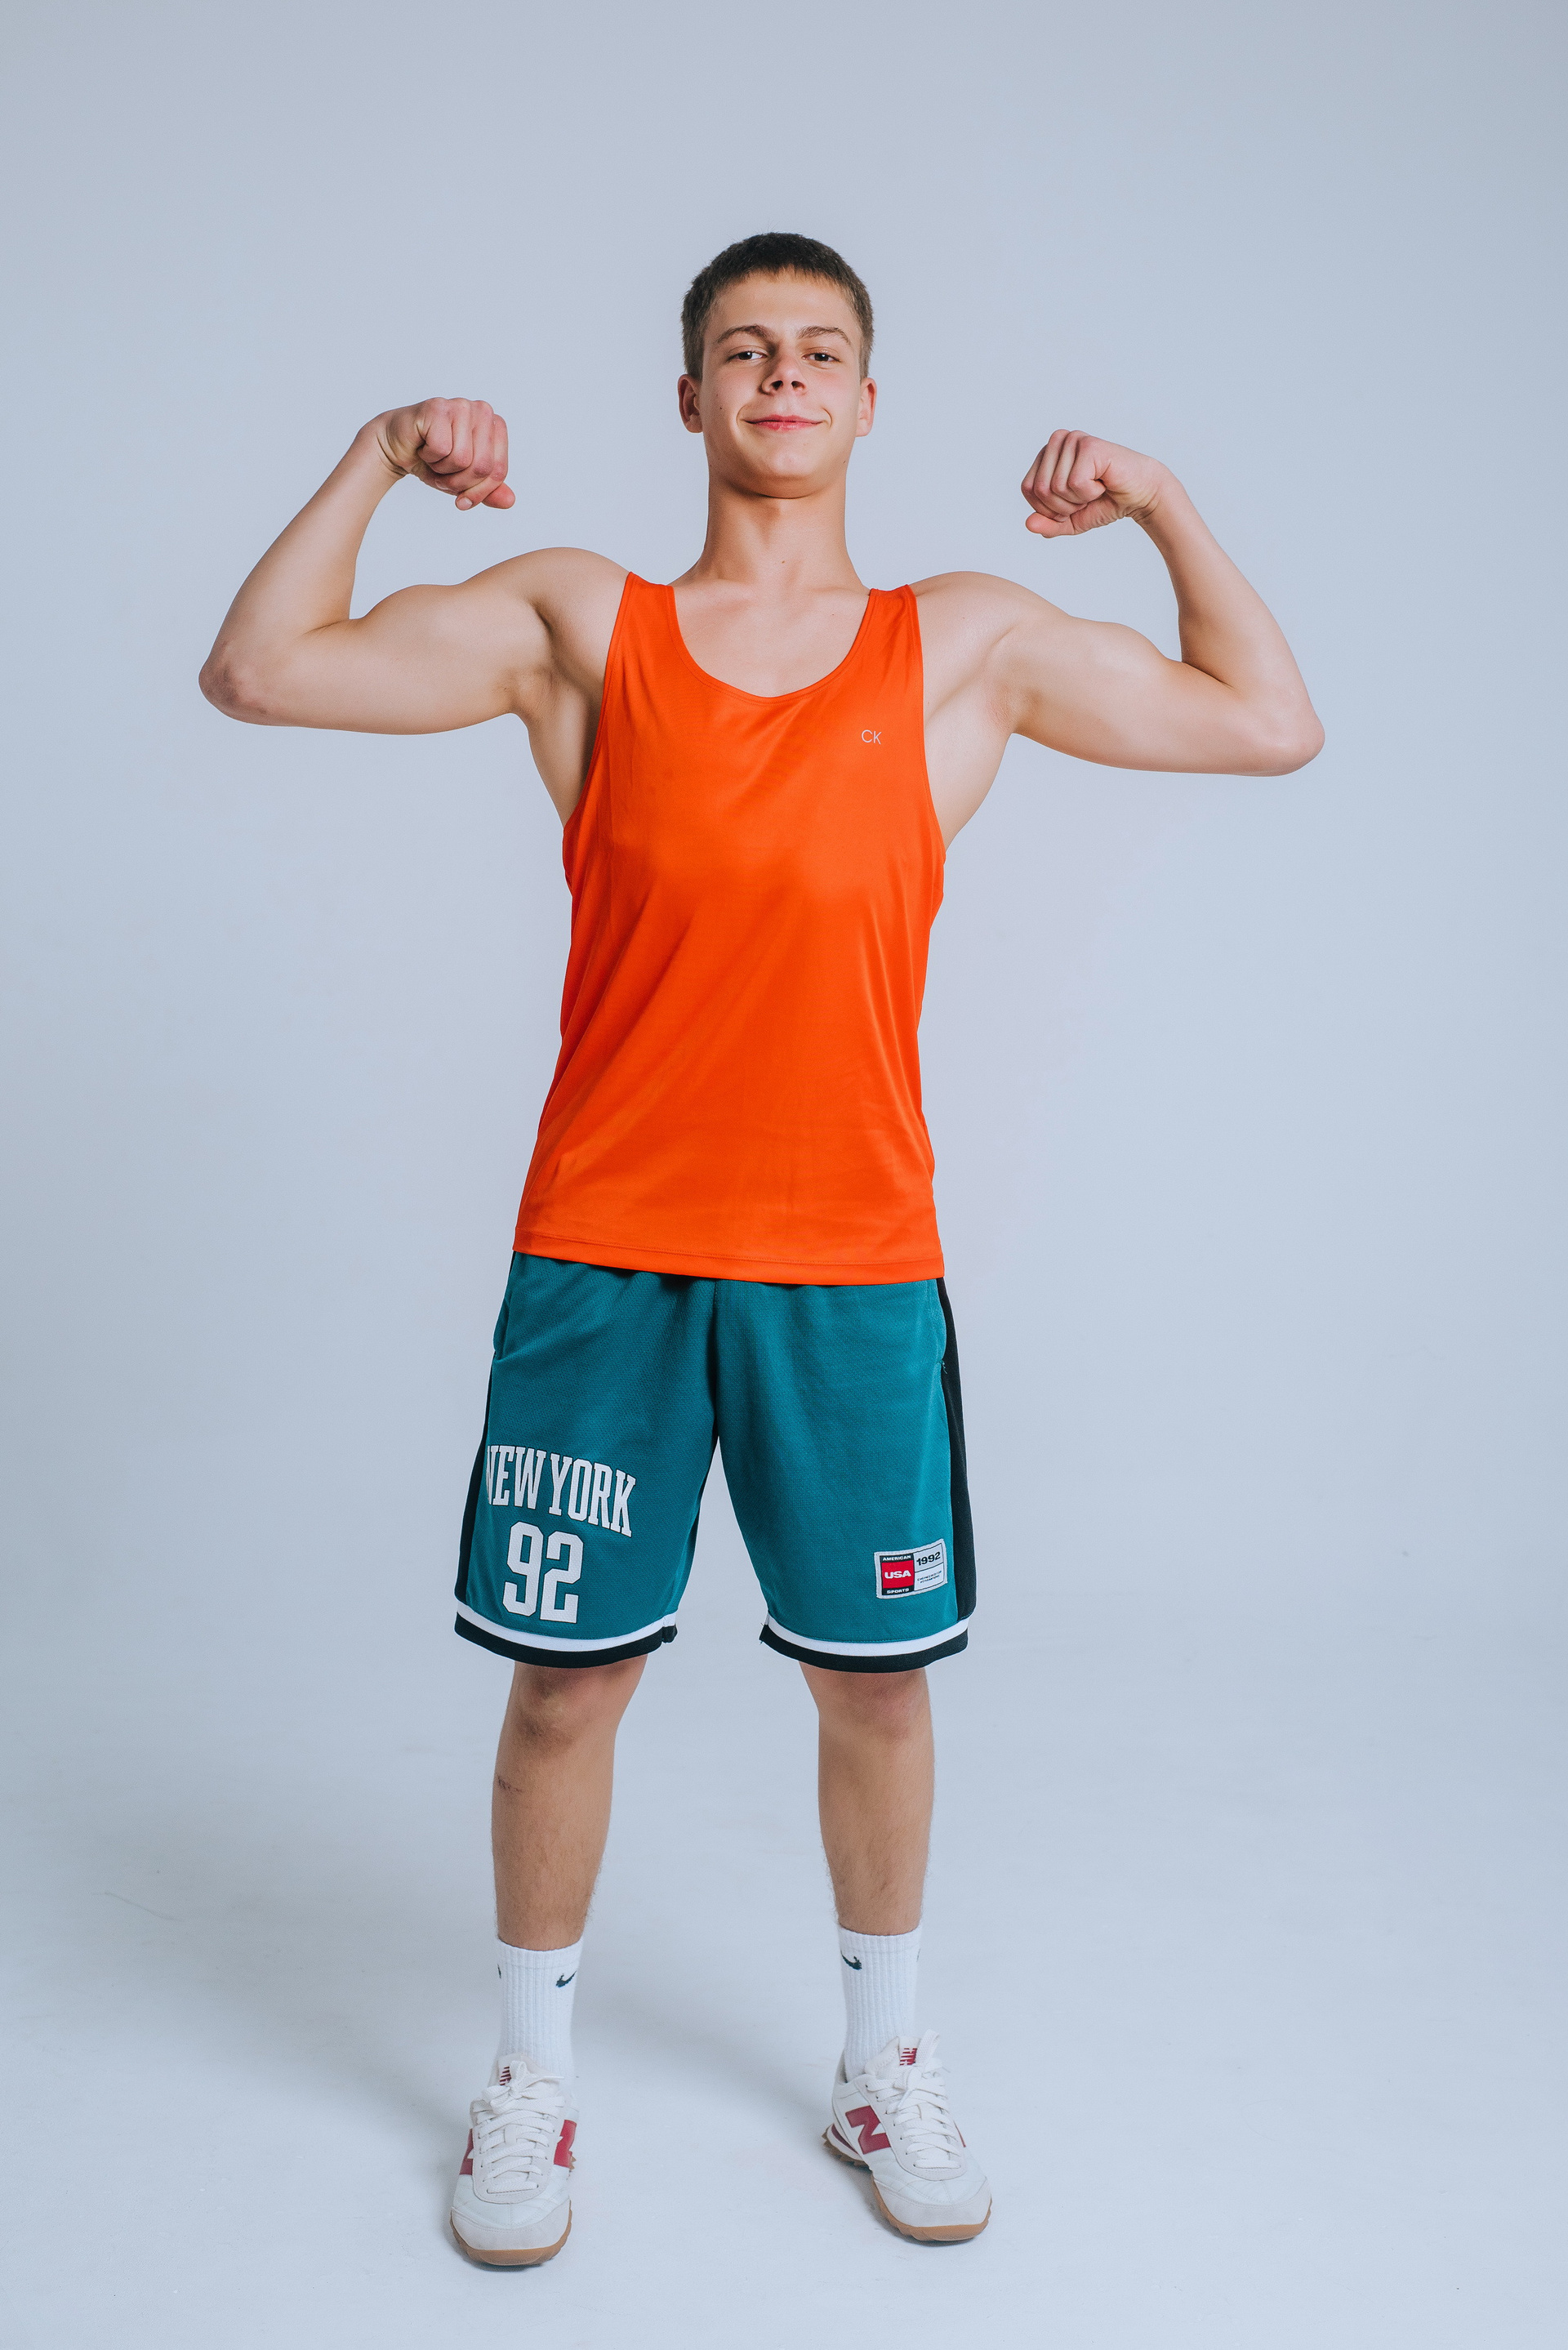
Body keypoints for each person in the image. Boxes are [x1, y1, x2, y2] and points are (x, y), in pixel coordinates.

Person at [200, 230, 1322, 2265]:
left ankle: (884, 2059)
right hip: (607, 1250)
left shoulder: (958, 643)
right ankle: (531, 2076)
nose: (781, 374)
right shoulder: (584, 625)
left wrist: (1161, 502)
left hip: (853, 1259)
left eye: (817, 349)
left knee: (874, 1692)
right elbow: (260, 669)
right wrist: (376, 453)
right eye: (743, 347)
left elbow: (1268, 722)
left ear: (869, 403)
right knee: (564, 1688)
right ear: (693, 398)